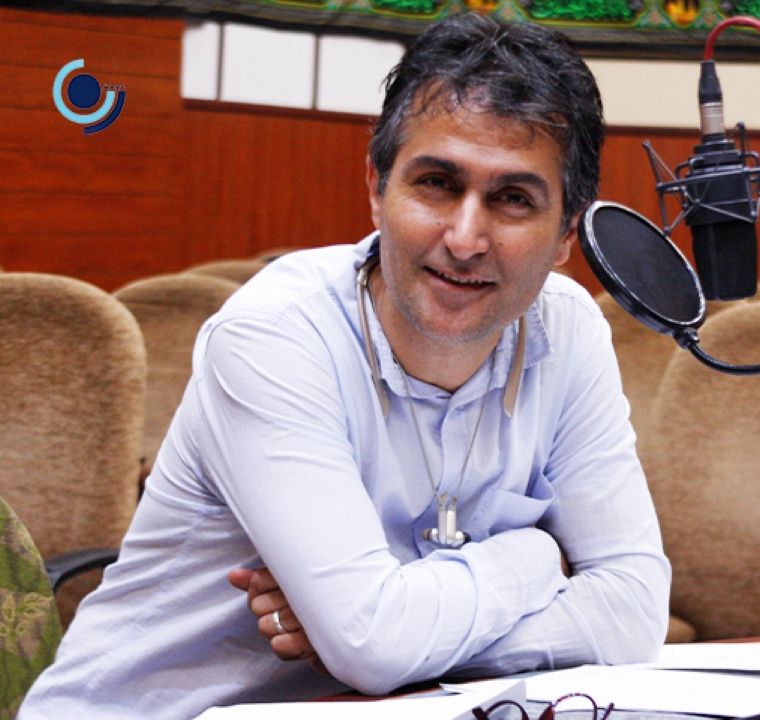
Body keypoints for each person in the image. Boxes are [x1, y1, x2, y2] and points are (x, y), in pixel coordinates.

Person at [19, 12, 670, 719]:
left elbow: (633, 613)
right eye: (437, 184)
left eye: (513, 199)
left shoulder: (568, 331)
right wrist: (537, 559)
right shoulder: (274, 336)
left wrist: (395, 634)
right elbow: (373, 643)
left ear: (567, 231)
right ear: (376, 188)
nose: (465, 238)